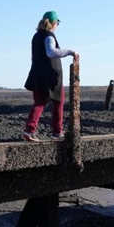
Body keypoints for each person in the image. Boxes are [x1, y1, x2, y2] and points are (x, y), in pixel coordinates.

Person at [22, 10, 79, 142]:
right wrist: (70, 52)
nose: (57, 26)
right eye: (57, 23)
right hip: (51, 76)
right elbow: (51, 52)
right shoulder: (49, 36)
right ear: (53, 23)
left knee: (39, 103)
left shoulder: (36, 36)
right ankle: (57, 132)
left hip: (37, 73)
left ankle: (29, 130)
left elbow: (34, 56)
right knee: (58, 102)